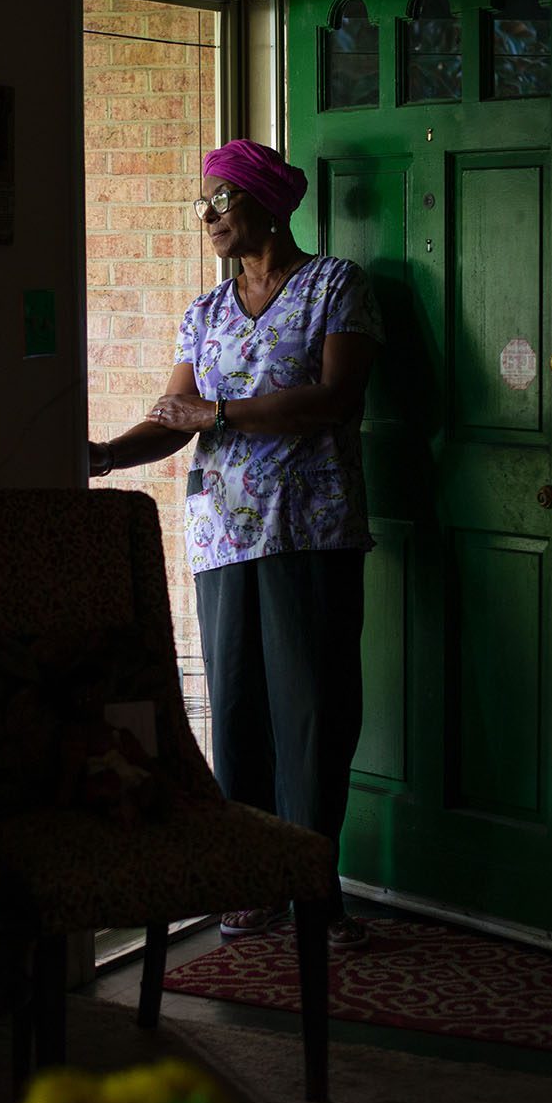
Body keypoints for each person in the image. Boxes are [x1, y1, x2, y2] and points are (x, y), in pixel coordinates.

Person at [88, 139, 382, 951]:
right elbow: (173, 414)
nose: (208, 216)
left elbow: (334, 400)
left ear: (269, 204)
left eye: (222, 198)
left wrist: (220, 416)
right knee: (242, 713)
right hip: (222, 536)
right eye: (202, 203)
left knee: (315, 717)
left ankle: (316, 892)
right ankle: (250, 884)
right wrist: (110, 453)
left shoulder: (335, 287)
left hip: (311, 530)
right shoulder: (207, 313)